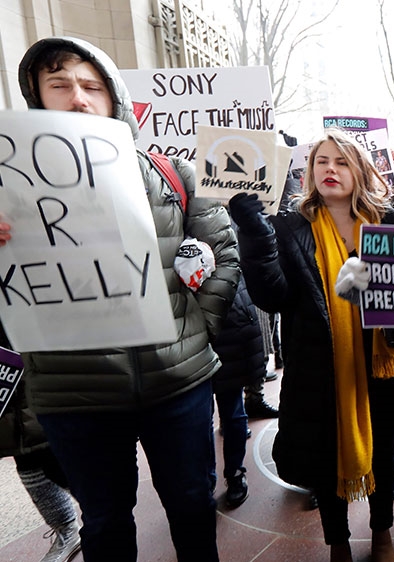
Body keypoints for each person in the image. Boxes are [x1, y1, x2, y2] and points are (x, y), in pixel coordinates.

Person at [3, 36, 239, 561]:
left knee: (193, 507)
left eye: (92, 86)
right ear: (38, 96)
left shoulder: (171, 175)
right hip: (75, 396)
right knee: (106, 523)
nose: (79, 98)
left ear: (114, 96)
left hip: (178, 385)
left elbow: (222, 254)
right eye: (60, 85)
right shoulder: (6, 189)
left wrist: (196, 331)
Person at [230, 128, 394, 562]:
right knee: (325, 457)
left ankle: (382, 532)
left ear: (360, 170)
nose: (329, 170)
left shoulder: (390, 225)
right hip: (319, 368)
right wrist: (254, 234)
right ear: (309, 171)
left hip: (383, 366)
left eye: (341, 161)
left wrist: (391, 316)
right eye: (321, 162)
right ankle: (338, 541)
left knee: (386, 453)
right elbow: (273, 297)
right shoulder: (290, 228)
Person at [0, 381, 80, 562]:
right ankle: (67, 529)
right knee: (24, 457)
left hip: (35, 381)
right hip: (8, 396)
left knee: (52, 460)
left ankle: (101, 514)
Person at [211, 276, 267, 508]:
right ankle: (208, 481)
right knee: (199, 421)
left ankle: (234, 472)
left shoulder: (224, 243)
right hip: (194, 329)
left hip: (228, 325)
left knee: (233, 411)